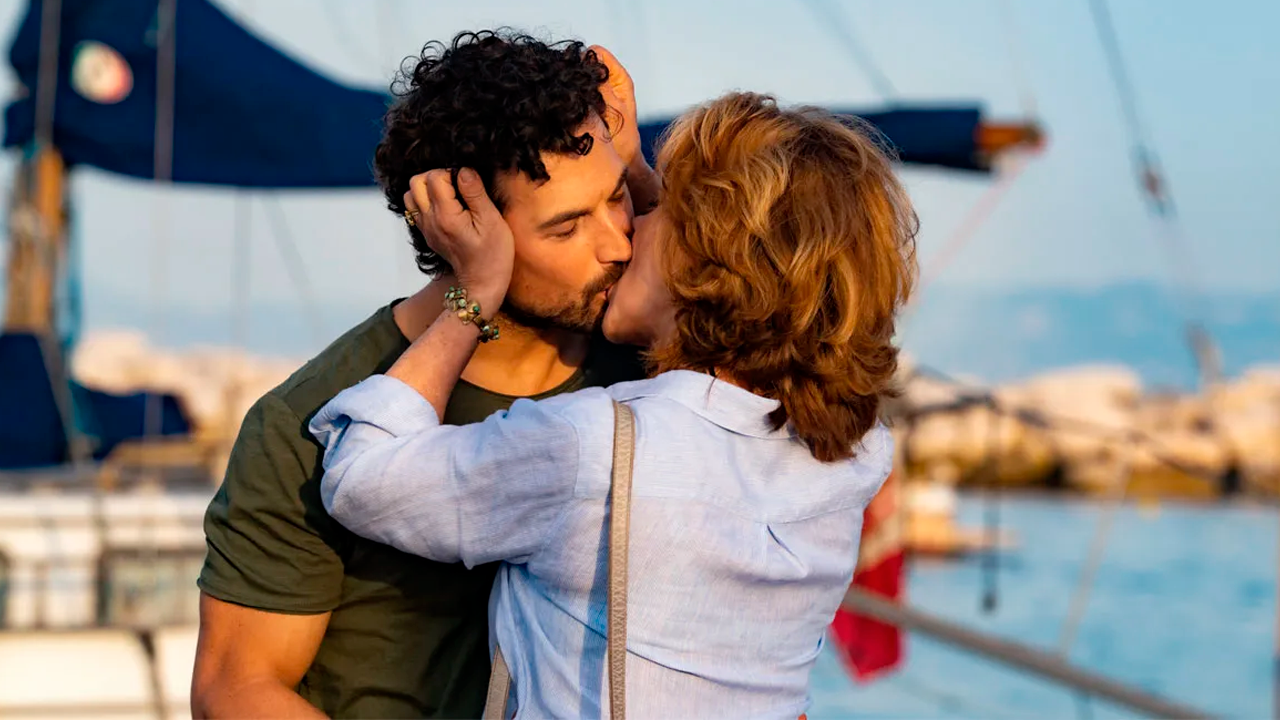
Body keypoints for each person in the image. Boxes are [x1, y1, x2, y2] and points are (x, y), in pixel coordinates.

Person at [309, 92, 919, 718]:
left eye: (661, 207)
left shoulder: (594, 449)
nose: (629, 232)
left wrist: (475, 293)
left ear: (704, 262)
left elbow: (361, 478)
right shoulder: (856, 453)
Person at [191, 31, 659, 719]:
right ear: (461, 225)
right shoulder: (312, 421)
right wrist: (477, 297)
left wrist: (640, 173)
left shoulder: (655, 369)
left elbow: (779, 328)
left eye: (615, 198)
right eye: (566, 229)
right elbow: (235, 691)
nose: (617, 243)